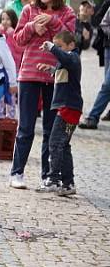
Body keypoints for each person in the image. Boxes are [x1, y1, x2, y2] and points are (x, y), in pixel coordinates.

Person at [10, 0, 76, 190]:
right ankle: (17, 172)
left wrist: (53, 22)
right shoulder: (29, 10)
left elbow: (70, 39)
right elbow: (18, 39)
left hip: (54, 76)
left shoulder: (67, 13)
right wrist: (31, 27)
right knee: (26, 127)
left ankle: (48, 175)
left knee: (50, 128)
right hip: (28, 74)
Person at [37, 31, 82, 196]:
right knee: (63, 146)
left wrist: (52, 47)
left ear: (71, 45)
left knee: (55, 143)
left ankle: (54, 179)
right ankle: (68, 183)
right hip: (68, 109)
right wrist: (51, 69)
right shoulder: (66, 62)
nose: (58, 51)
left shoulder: (73, 58)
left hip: (68, 109)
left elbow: (66, 59)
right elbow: (63, 70)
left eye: (61, 47)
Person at [79, 5, 110, 130]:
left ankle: (93, 117)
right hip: (109, 48)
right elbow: (104, 23)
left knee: (107, 85)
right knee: (107, 85)